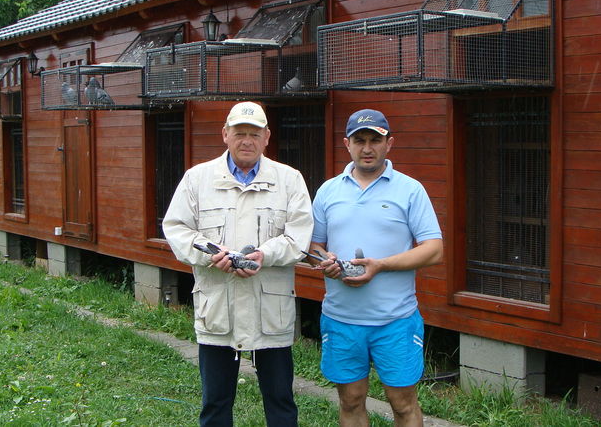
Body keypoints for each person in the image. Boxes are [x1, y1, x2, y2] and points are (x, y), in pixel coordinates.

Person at [163, 101, 313, 427]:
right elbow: (176, 228)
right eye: (239, 133)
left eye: (254, 134)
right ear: (225, 135)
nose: (247, 140)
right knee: (215, 402)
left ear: (267, 137)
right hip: (219, 310)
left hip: (269, 311)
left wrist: (265, 254)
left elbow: (299, 237)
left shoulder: (289, 180)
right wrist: (210, 254)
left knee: (280, 401)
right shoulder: (197, 179)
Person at [309, 109, 443, 427]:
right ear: (347, 144)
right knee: (351, 400)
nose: (367, 148)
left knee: (403, 405)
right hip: (341, 319)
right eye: (359, 140)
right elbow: (313, 246)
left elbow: (434, 250)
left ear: (389, 144)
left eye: (375, 140)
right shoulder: (328, 191)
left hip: (395, 321)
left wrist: (380, 265)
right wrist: (325, 261)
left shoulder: (410, 190)